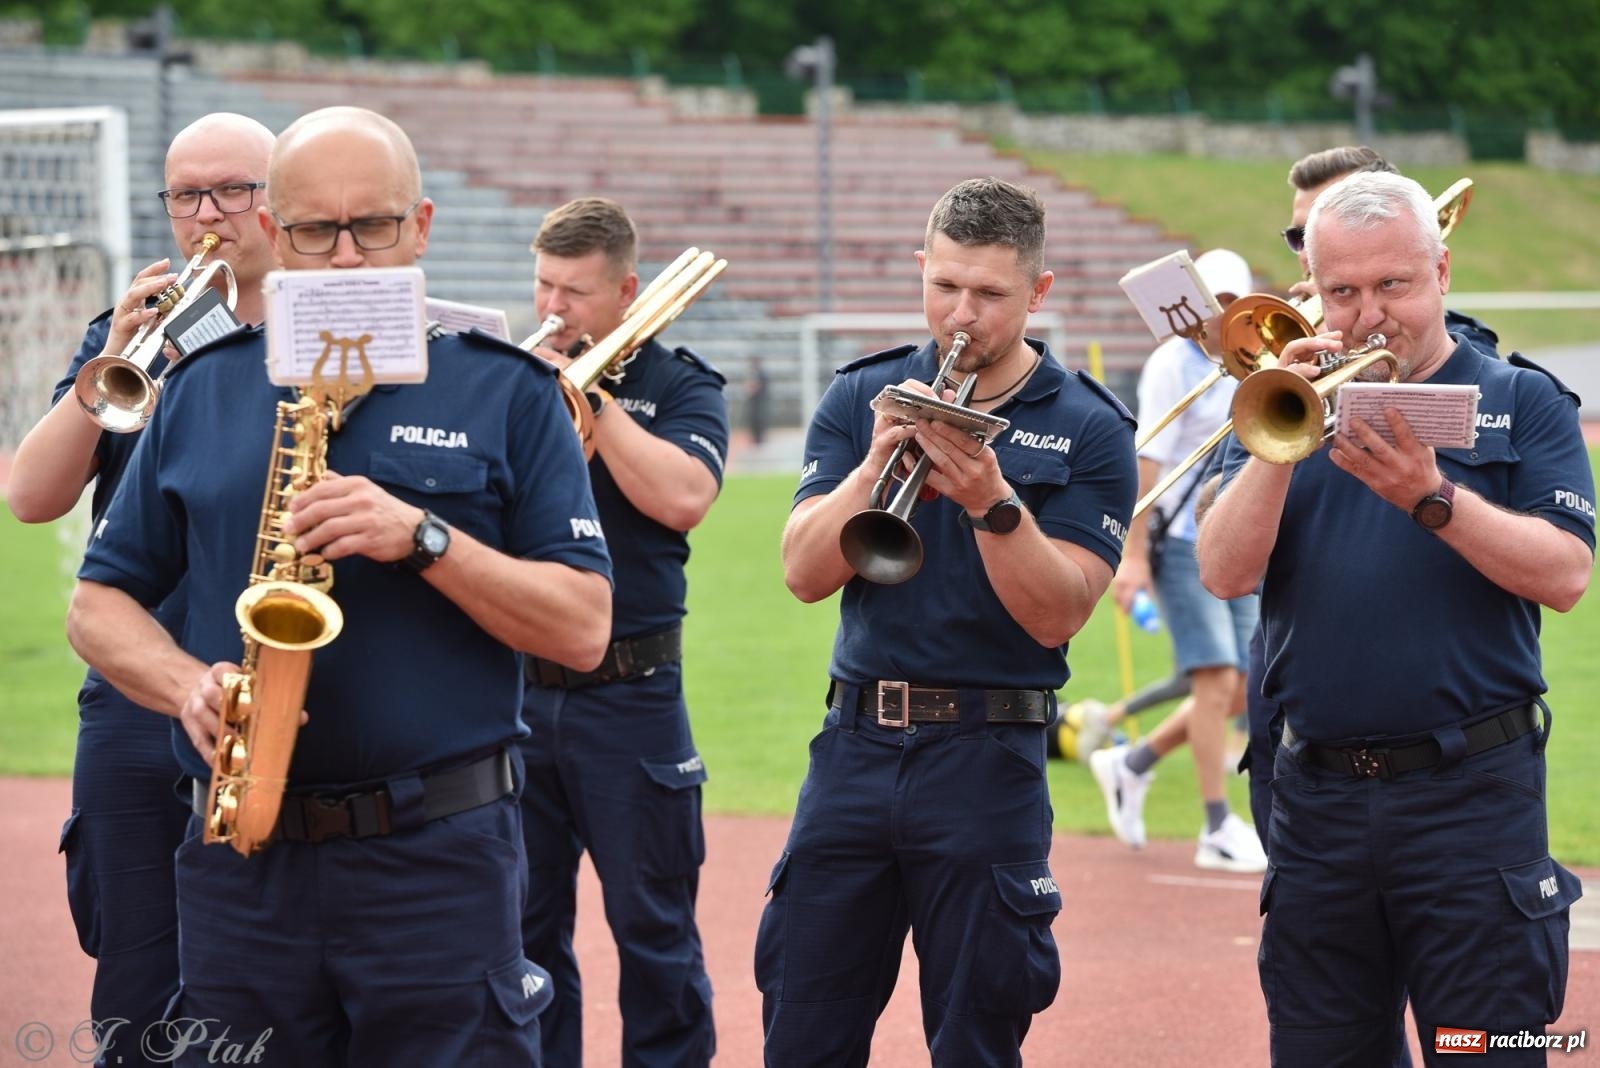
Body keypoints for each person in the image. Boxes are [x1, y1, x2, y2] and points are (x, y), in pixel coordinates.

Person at [66, 105, 614, 1065]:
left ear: (426, 225)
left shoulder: (508, 391)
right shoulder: (201, 388)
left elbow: (582, 630)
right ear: (273, 234)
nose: (350, 259)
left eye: (378, 226)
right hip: (243, 858)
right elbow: (96, 603)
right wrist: (187, 686)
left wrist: (424, 537)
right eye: (318, 231)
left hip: (440, 863)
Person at [1197, 169, 1592, 1065]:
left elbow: (1567, 574)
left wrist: (1433, 497)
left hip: (1471, 807)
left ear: (1442, 272)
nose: (1369, 315)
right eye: (1342, 292)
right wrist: (1276, 441)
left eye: (1393, 286)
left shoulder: (1521, 399)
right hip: (1318, 808)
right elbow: (1223, 573)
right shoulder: (1280, 404)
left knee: (1485, 1050)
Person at [756, 177, 1138, 1066]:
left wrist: (992, 502)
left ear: (1038, 294)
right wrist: (872, 470)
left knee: (978, 1032)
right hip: (853, 748)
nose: (962, 315)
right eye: (946, 286)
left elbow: (1060, 615)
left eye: (992, 295)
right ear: (922, 267)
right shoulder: (862, 396)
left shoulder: (1088, 427)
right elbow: (802, 574)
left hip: (987, 761)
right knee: (802, 1022)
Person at [6, 112, 275, 1066]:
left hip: (265, 674)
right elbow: (31, 497)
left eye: (232, 190)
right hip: (131, 680)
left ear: (277, 201)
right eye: (186, 195)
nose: (207, 214)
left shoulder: (318, 329)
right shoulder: (131, 331)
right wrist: (105, 365)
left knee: (266, 960)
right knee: (133, 964)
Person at [517, 197, 726, 1067]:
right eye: (544, 285)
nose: (553, 310)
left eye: (575, 292)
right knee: (521, 936)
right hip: (519, 693)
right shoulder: (511, 376)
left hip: (632, 697)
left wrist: (592, 400)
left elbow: (683, 498)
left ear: (629, 291)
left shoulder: (682, 386)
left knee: (655, 933)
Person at [1085, 249, 1268, 872]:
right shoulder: (1171, 363)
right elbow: (1150, 466)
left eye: (1225, 301)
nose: (1210, 314)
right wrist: (1132, 559)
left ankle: (1131, 763)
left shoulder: (1254, 360)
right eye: (1205, 298)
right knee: (1216, 679)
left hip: (1235, 537)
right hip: (1182, 541)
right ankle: (1217, 824)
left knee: (1249, 680)